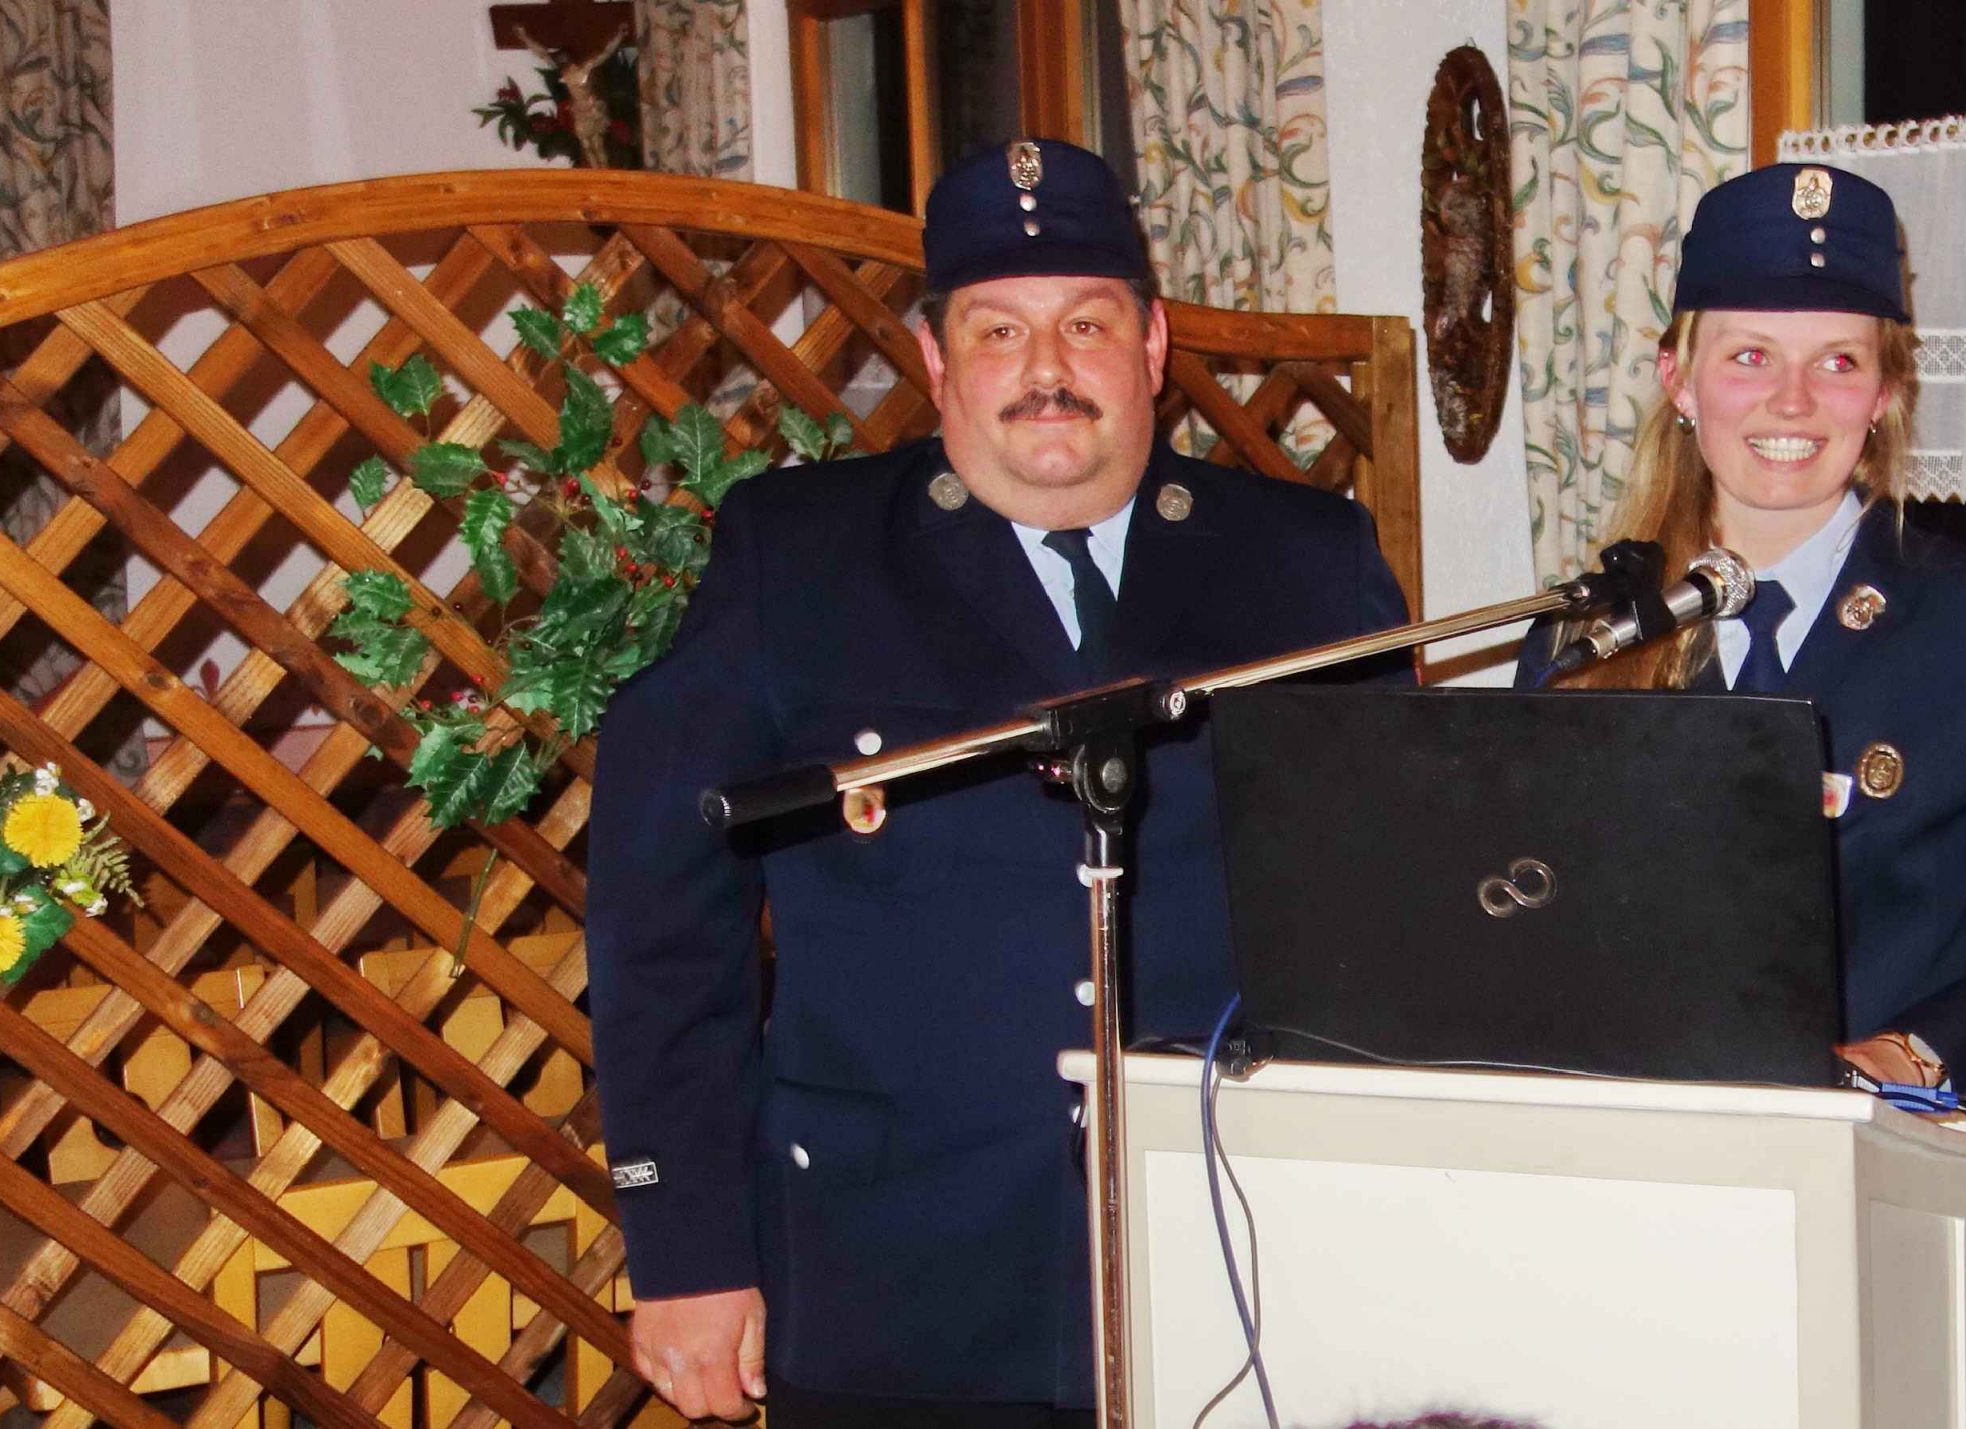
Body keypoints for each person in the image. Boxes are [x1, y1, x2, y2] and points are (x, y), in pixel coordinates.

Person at [583, 137, 1410, 1426]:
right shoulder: (796, 558)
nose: (1045, 370)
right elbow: (662, 922)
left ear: (1151, 345)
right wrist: (687, 1246)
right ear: (934, 358)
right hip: (897, 1280)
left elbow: (1394, 908)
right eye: (997, 330)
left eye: (1086, 324)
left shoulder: (1306, 562)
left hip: (1237, 1263)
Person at [1515, 163, 1966, 1428]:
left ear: (1884, 391)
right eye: (1748, 356)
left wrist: (1909, 1055)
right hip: (1643, 1237)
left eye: (1837, 362)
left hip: (1894, 1217)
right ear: (1680, 379)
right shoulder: (1583, 639)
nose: (1791, 401)